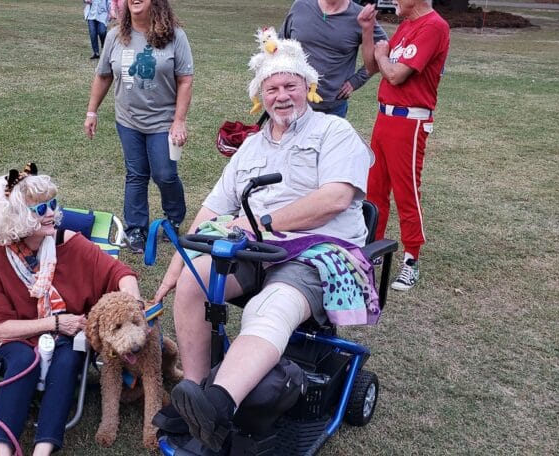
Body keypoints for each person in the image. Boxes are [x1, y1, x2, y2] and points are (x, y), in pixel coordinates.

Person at [152, 34, 374, 451]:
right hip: (257, 249)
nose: (281, 95)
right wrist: (179, 264)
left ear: (307, 87)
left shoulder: (334, 131)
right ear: (260, 96)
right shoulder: (251, 146)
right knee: (194, 283)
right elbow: (213, 209)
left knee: (268, 307)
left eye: (290, 85)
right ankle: (195, 395)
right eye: (272, 88)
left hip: (318, 252)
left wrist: (259, 223)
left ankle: (218, 406)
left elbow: (335, 198)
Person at [0, 163, 142, 456]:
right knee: (24, 358)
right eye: (40, 209)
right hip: (11, 334)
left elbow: (121, 273)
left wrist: (132, 306)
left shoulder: (69, 243)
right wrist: (55, 324)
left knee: (69, 356)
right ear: (17, 216)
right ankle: (2, 449)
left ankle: (43, 450)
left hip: (64, 333)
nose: (51, 213)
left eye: (52, 204)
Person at [84, 0, 194, 254]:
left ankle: (174, 218)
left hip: (162, 121)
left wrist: (179, 120)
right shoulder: (115, 36)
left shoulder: (175, 36)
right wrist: (92, 111)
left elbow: (185, 80)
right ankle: (136, 229)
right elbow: (103, 75)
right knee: (136, 174)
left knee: (164, 174)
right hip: (128, 120)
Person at [359, 0, 450, 291]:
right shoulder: (407, 25)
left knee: (406, 191)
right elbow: (373, 66)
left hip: (410, 122)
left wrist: (383, 55)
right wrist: (367, 30)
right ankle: (373, 249)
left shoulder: (434, 26)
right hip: (384, 117)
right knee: (374, 188)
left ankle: (411, 260)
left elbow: (396, 75)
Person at [280, 0, 388, 118]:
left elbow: (386, 50)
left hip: (331, 109)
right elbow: (279, 44)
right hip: (291, 103)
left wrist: (356, 80)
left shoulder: (360, 16)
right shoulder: (300, 6)